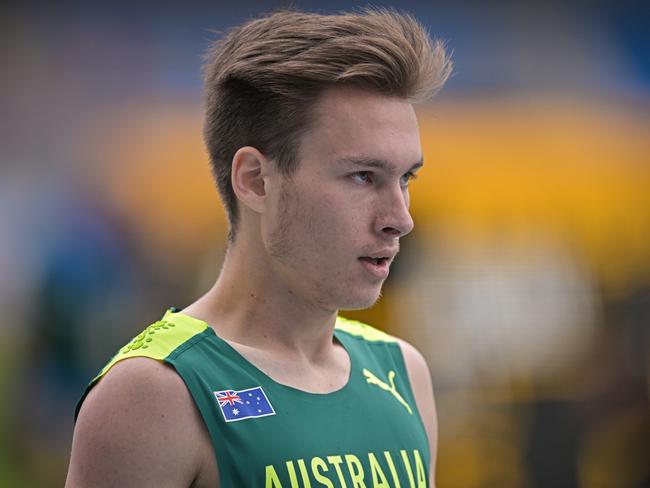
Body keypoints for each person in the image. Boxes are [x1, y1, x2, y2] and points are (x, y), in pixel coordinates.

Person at [66, 8, 451, 488]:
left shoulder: (403, 371)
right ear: (255, 181)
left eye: (405, 178)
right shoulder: (155, 393)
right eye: (363, 177)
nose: (400, 219)